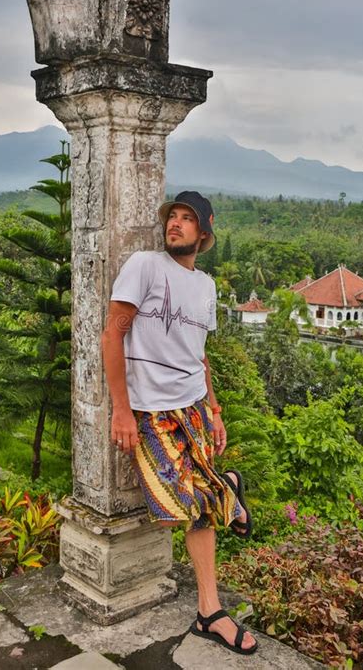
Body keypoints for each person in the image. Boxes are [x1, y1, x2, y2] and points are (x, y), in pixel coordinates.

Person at [101, 191, 258, 655]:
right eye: (172, 216)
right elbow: (114, 331)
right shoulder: (145, 266)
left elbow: (198, 353)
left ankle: (209, 610)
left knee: (200, 506)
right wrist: (122, 408)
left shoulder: (205, 287)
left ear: (203, 232)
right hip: (151, 411)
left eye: (187, 219)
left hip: (192, 406)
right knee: (181, 501)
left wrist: (214, 408)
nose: (176, 224)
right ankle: (227, 487)